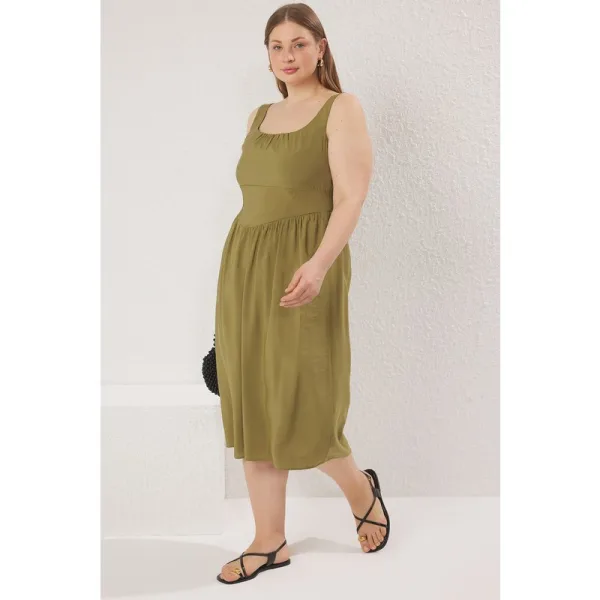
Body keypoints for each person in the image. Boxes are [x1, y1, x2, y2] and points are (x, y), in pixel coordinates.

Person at [214, 3, 390, 584]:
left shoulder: (341, 108)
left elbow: (351, 196)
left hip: (307, 267)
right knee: (255, 400)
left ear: (320, 47)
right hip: (245, 268)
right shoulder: (259, 116)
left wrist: (317, 265)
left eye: (298, 44)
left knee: (304, 401)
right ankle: (269, 541)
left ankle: (359, 489)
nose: (287, 56)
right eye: (276, 46)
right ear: (267, 55)